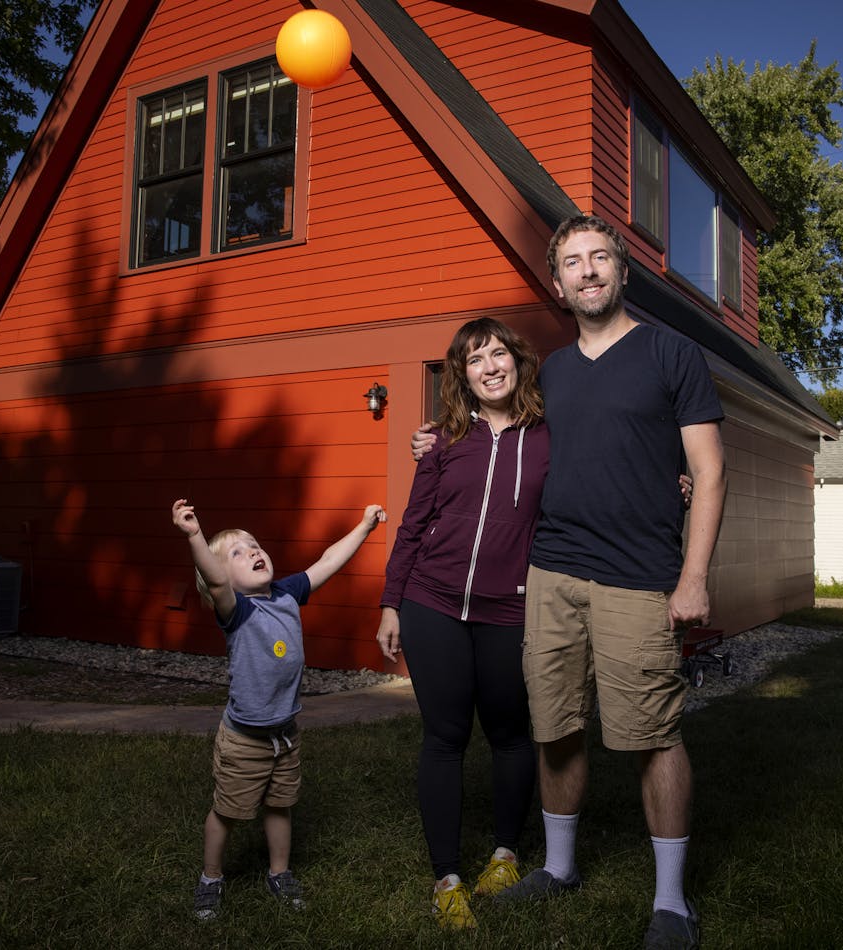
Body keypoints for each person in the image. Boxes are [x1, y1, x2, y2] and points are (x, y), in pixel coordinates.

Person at [414, 214, 726, 949]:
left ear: (623, 271)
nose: (588, 271)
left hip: (639, 577)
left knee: (653, 736)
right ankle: (558, 868)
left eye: (600, 258)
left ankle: (673, 902)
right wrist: (434, 439)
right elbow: (493, 427)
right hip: (549, 574)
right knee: (554, 726)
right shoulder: (548, 371)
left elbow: (708, 471)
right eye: (573, 263)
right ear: (556, 284)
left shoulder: (671, 354)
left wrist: (694, 576)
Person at [377, 317, 547, 931]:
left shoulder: (549, 437)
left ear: (517, 361)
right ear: (463, 375)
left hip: (511, 610)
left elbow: (602, 481)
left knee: (510, 733)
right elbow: (413, 523)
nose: (491, 367)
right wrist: (392, 602)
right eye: (476, 360)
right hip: (433, 603)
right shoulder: (444, 438)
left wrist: (674, 484)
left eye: (499, 354)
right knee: (444, 738)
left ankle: (506, 852)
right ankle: (446, 877)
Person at [172, 498, 387, 921]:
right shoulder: (236, 610)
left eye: (254, 545)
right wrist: (195, 535)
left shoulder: (287, 593)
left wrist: (363, 527)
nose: (253, 551)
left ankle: (279, 872)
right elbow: (215, 582)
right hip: (245, 739)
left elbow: (327, 561)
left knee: (280, 804)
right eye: (237, 552)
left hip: (285, 734)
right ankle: (211, 877)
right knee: (228, 812)